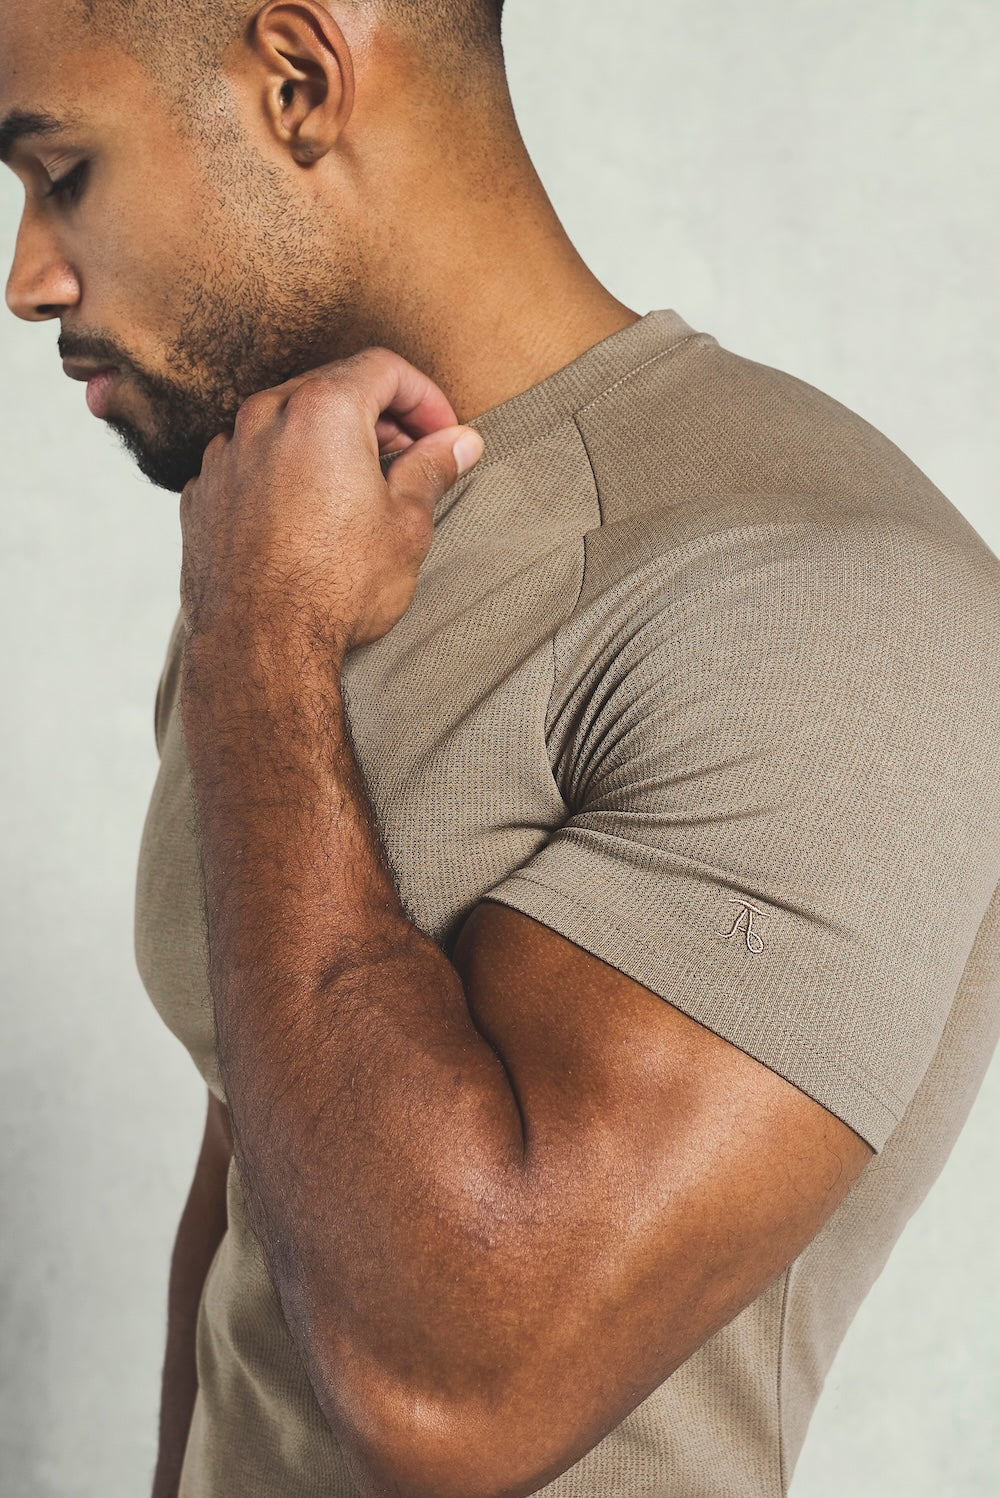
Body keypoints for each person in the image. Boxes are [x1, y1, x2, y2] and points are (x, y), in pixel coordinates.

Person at [3, 1, 998, 1495]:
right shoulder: (296, 537)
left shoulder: (830, 595)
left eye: (60, 172)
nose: (28, 278)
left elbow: (453, 1392)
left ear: (297, 82)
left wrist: (262, 646)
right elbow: (253, 1190)